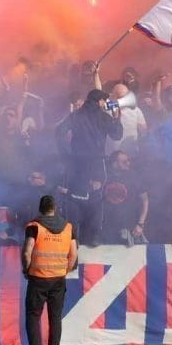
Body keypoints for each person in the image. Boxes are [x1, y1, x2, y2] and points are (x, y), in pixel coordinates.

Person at [54, 88, 122, 246]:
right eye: (104, 101)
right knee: (96, 199)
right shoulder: (103, 116)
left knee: (73, 197)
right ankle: (93, 236)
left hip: (76, 164)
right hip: (96, 164)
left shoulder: (76, 115)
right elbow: (117, 134)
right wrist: (117, 117)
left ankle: (73, 236)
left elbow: (59, 131)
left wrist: (66, 154)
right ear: (99, 101)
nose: (105, 103)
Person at [20, 194, 77, 345]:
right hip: (58, 279)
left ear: (40, 208)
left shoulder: (34, 226)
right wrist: (63, 271)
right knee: (55, 318)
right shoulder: (68, 227)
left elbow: (26, 251)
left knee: (33, 316)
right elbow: (73, 254)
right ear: (55, 208)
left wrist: (26, 269)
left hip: (38, 277)